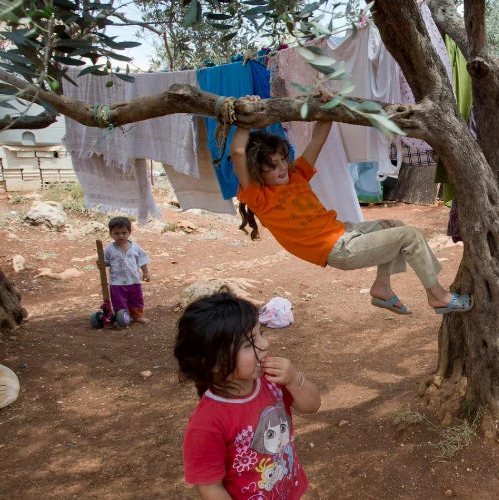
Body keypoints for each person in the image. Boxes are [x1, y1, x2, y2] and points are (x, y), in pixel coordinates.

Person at [231, 123, 471, 315]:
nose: (282, 167)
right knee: (409, 236)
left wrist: (325, 108)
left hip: (345, 234)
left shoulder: (296, 176)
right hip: (337, 248)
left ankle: (382, 287)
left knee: (395, 226)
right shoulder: (259, 196)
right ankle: (437, 296)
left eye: (283, 159)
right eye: (272, 166)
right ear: (256, 172)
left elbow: (318, 139)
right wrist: (243, 122)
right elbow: (238, 151)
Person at [175, 293, 323, 499]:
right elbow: (210, 488)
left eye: (260, 333)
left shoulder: (271, 379)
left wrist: (293, 378)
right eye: (248, 343)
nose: (264, 344)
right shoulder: (207, 424)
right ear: (214, 363)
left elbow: (312, 405)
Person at [103, 216, 151, 324]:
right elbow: (106, 262)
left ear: (129, 232)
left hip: (133, 280)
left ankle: (137, 316)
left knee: (136, 299)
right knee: (119, 301)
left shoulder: (135, 247)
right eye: (117, 233)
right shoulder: (109, 249)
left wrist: (146, 272)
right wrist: (102, 264)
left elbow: (142, 260)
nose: (120, 236)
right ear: (111, 234)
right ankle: (123, 317)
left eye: (124, 233)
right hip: (117, 282)